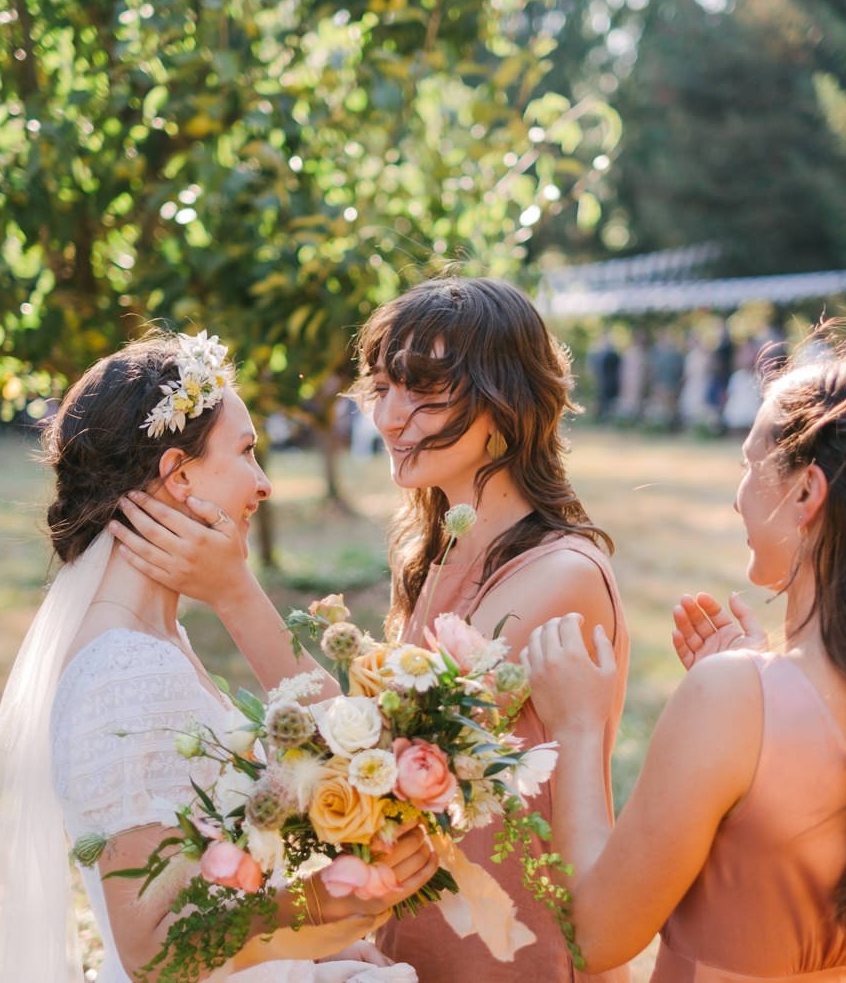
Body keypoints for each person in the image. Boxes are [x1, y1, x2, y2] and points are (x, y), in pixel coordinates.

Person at [107, 277, 632, 983]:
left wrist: (235, 592)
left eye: (424, 391)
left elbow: (375, 765)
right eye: (383, 387)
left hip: (519, 958)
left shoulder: (560, 575)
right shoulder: (436, 551)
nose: (389, 416)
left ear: (506, 403)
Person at [523, 333, 846, 982]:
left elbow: (595, 936)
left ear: (807, 493)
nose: (738, 494)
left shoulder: (736, 697)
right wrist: (755, 684)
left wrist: (576, 727)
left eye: (750, 466)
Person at [0, 331, 434, 983]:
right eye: (247, 452)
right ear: (179, 473)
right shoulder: (122, 672)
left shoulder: (158, 641)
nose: (265, 483)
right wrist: (309, 903)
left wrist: (311, 947)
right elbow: (148, 950)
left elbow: (204, 884)